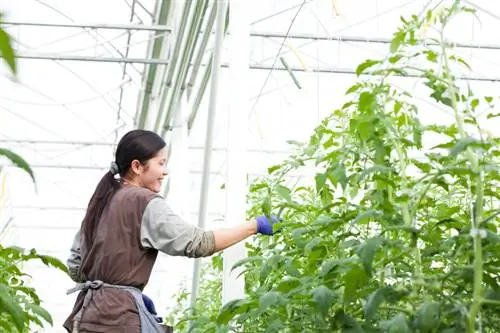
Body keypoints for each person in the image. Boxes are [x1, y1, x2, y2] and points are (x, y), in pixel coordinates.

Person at [63, 129, 279, 333]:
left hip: (88, 317)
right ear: (137, 166)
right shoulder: (143, 202)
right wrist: (254, 225)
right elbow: (199, 243)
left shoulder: (101, 201)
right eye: (160, 163)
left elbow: (75, 265)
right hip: (119, 320)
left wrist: (112, 287)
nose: (164, 171)